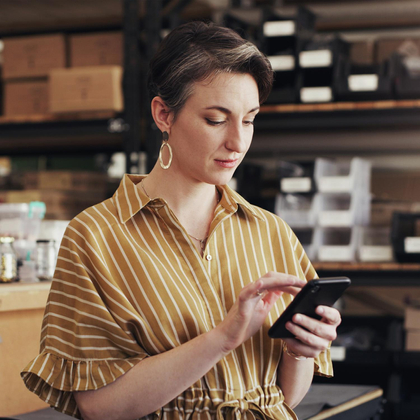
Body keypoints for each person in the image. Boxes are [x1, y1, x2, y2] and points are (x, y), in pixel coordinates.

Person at [21, 21, 341, 420]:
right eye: (215, 119)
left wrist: (299, 350)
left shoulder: (270, 232)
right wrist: (222, 339)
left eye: (249, 119)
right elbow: (99, 408)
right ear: (163, 115)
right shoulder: (94, 238)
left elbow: (283, 399)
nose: (238, 143)